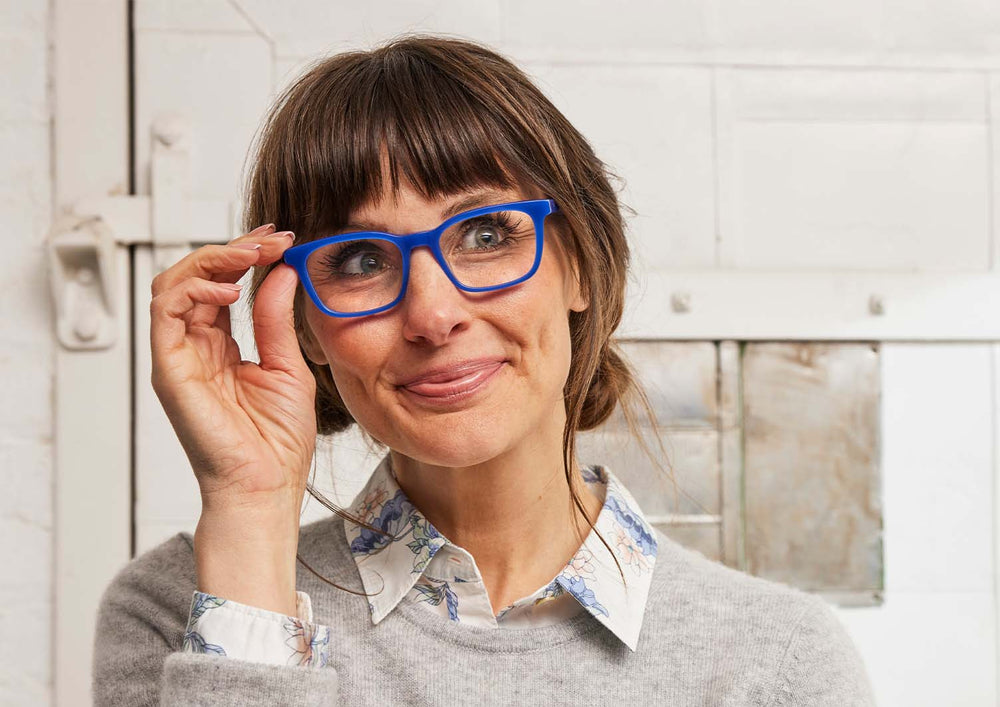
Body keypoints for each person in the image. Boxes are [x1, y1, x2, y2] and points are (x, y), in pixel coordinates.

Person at [92, 35, 876, 706]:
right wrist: (250, 509)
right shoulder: (184, 610)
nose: (433, 314)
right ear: (307, 323)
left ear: (580, 267)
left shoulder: (778, 662)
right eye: (362, 259)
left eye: (486, 234)